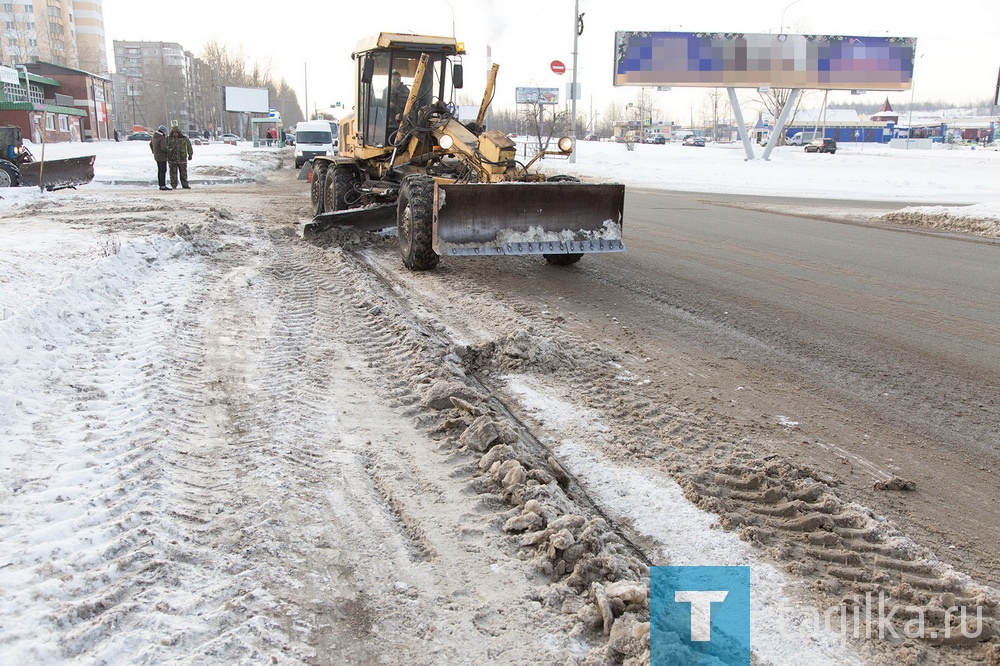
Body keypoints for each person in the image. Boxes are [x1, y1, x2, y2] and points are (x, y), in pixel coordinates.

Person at [149, 125, 170, 190]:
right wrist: (169, 151)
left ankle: (161, 185)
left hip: (157, 156)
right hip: (162, 156)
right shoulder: (161, 137)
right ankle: (163, 185)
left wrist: (154, 151)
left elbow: (150, 144)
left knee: (160, 171)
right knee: (163, 171)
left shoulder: (154, 137)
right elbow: (163, 148)